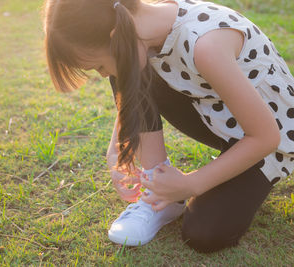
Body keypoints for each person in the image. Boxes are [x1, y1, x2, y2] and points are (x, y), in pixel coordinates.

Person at [43, 0, 294, 253]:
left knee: (204, 232)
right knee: (126, 69)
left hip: (273, 138)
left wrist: (191, 184)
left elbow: (266, 137)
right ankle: (159, 193)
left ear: (116, 35)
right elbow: (134, 86)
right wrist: (117, 147)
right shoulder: (144, 26)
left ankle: (175, 191)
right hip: (219, 118)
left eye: (97, 65)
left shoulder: (205, 44)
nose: (101, 74)